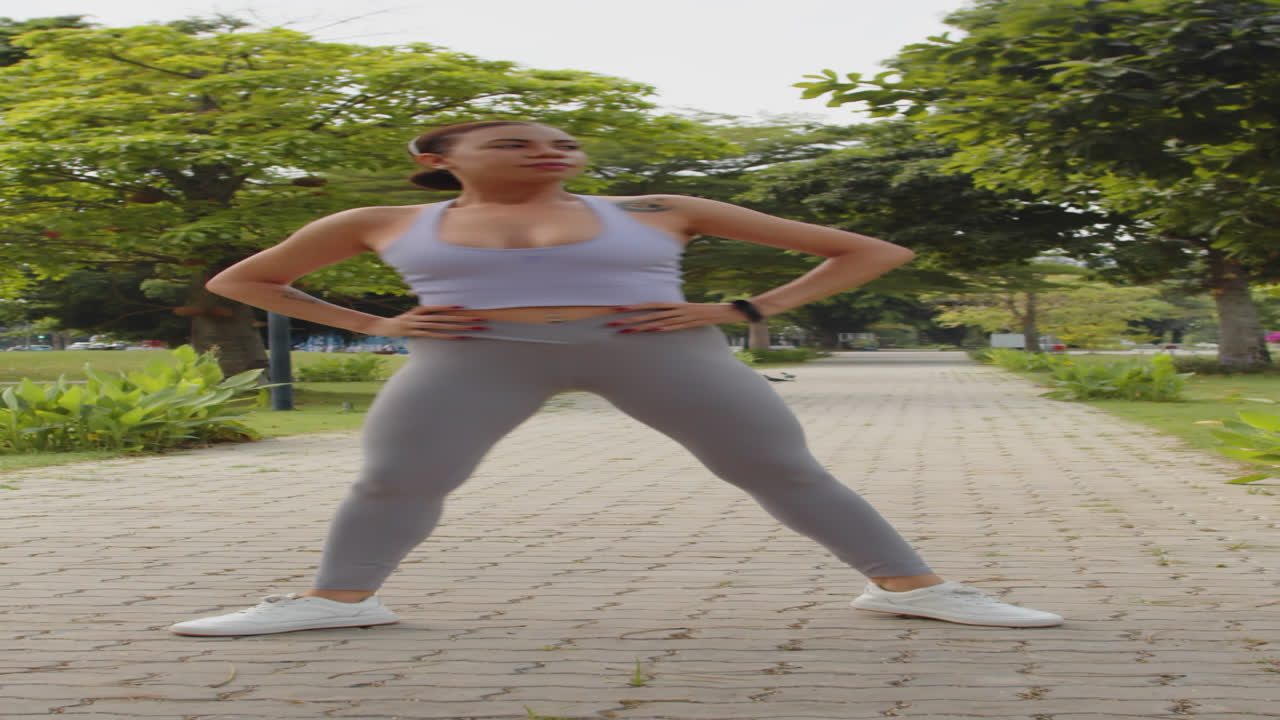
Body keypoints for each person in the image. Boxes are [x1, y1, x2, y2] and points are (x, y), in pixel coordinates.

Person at [170, 120, 1062, 636]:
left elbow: (868, 251)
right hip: (471, 357)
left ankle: (912, 589)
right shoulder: (382, 217)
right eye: (517, 141)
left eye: (562, 142)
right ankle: (339, 602)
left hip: (657, 348)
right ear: (441, 153)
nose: (550, 150)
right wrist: (372, 322)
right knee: (399, 477)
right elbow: (240, 282)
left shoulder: (658, 209)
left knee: (780, 470)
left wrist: (742, 311)